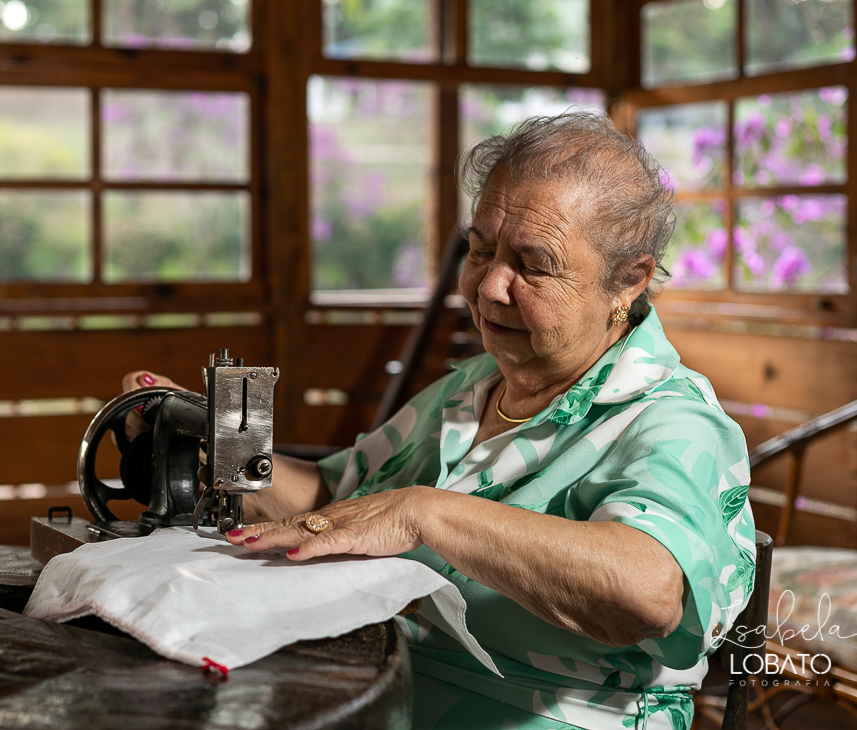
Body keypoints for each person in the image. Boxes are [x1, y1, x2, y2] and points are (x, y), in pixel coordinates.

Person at [123, 112, 756, 730]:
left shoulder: (671, 422)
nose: (489, 288)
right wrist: (213, 433)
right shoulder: (469, 387)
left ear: (628, 280)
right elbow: (331, 502)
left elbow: (646, 593)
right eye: (481, 250)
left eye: (533, 265)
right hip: (366, 697)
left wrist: (426, 512)